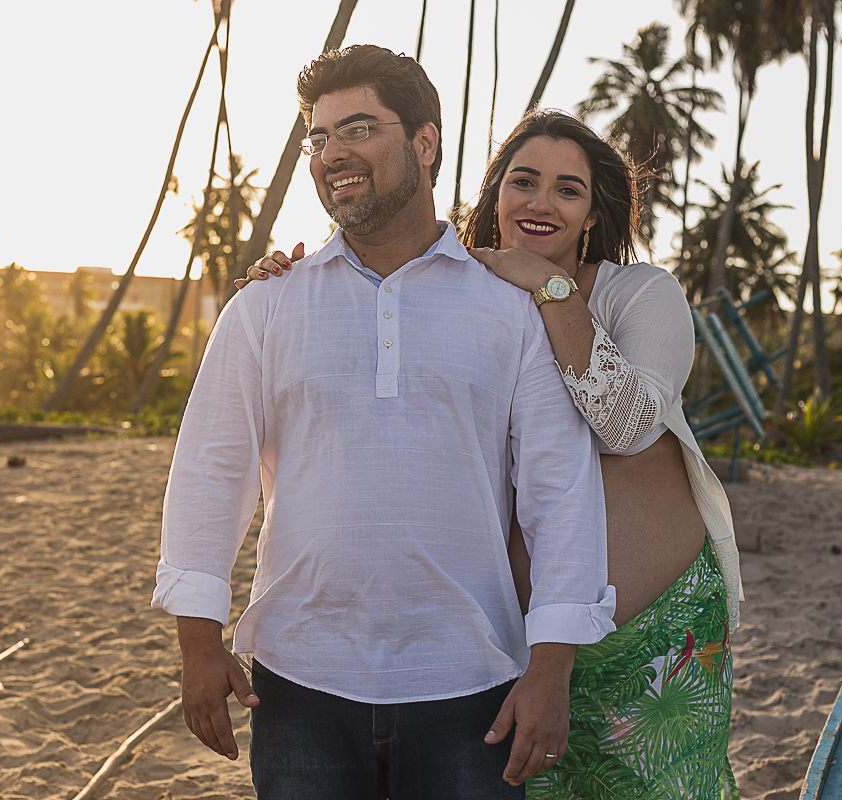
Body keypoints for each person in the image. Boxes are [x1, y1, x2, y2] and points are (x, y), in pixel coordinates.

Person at [151, 46, 616, 800]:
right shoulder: (266, 305)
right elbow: (210, 469)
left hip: (473, 685)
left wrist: (551, 668)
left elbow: (560, 490)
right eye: (318, 136)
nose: (332, 152)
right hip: (298, 681)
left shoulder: (509, 311)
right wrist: (198, 641)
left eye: (358, 128)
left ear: (424, 143)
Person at [244, 110, 742, 799]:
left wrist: (550, 287)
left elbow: (625, 426)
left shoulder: (640, 294)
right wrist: (287, 280)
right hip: (514, 648)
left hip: (655, 634)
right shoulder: (458, 292)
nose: (542, 203)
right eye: (523, 182)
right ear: (496, 195)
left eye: (568, 190)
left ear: (593, 215)